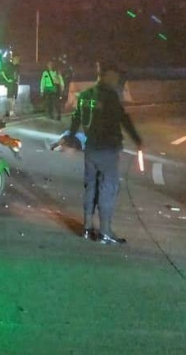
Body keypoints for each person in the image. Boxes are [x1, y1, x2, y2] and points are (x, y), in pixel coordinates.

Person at [67, 60, 143, 245]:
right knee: (107, 189)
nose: (117, 80)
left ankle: (87, 227)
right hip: (107, 149)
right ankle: (105, 231)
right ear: (108, 75)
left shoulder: (84, 95)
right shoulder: (109, 96)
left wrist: (71, 137)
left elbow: (76, 118)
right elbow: (122, 118)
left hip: (91, 148)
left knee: (90, 186)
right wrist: (137, 140)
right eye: (115, 76)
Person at [0, 51, 20, 118]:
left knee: (14, 98)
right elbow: (2, 72)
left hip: (15, 84)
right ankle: (10, 112)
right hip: (10, 84)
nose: (18, 60)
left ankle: (11, 112)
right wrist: (7, 80)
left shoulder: (17, 66)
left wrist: (18, 81)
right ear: (14, 59)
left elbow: (18, 75)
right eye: (17, 59)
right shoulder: (9, 65)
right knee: (10, 98)